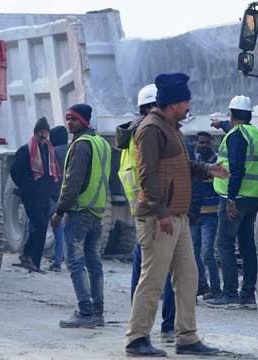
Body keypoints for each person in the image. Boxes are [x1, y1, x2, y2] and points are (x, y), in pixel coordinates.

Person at [125, 73, 229, 356]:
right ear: (172, 104)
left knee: (189, 278)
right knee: (153, 280)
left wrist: (209, 170)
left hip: (178, 217)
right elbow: (146, 175)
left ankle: (187, 338)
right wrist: (161, 213)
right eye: (185, 101)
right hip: (160, 218)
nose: (188, 106)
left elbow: (183, 167)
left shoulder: (172, 128)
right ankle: (137, 339)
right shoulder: (151, 129)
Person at [116, 84, 176, 344]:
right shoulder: (154, 133)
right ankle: (168, 328)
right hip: (157, 210)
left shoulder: (131, 134)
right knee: (167, 272)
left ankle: (137, 326)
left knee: (141, 272)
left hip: (140, 211)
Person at [50, 104, 110, 328]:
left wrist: (59, 210)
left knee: (74, 262)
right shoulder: (101, 143)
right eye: (67, 119)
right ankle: (98, 312)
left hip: (79, 211)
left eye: (73, 119)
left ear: (83, 121)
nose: (69, 123)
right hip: (97, 211)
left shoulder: (81, 145)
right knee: (94, 263)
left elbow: (72, 181)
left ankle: (85, 312)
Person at [206, 95, 258, 310]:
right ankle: (248, 295)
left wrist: (230, 198)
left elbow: (237, 169)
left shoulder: (236, 136)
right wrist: (219, 124)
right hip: (252, 197)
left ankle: (230, 293)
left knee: (224, 243)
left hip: (235, 199)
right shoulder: (255, 134)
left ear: (232, 115)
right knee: (247, 245)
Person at [11, 117, 61, 272]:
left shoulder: (49, 150)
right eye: (41, 132)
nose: (44, 136)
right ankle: (33, 261)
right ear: (36, 133)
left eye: (46, 132)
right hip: (31, 196)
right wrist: (26, 187)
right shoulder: (25, 150)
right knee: (39, 225)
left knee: (42, 225)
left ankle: (28, 256)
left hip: (45, 195)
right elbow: (15, 172)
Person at [190, 132, 221, 301]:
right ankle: (201, 285)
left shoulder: (216, 161)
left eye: (207, 143)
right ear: (196, 143)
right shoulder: (193, 160)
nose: (204, 145)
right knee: (193, 253)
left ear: (212, 144)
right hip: (195, 214)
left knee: (207, 252)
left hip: (211, 214)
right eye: (201, 142)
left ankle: (216, 288)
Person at [48, 125, 69, 272]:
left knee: (55, 227)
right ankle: (65, 258)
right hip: (68, 194)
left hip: (53, 193)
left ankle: (57, 260)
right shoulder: (72, 149)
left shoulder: (52, 152)